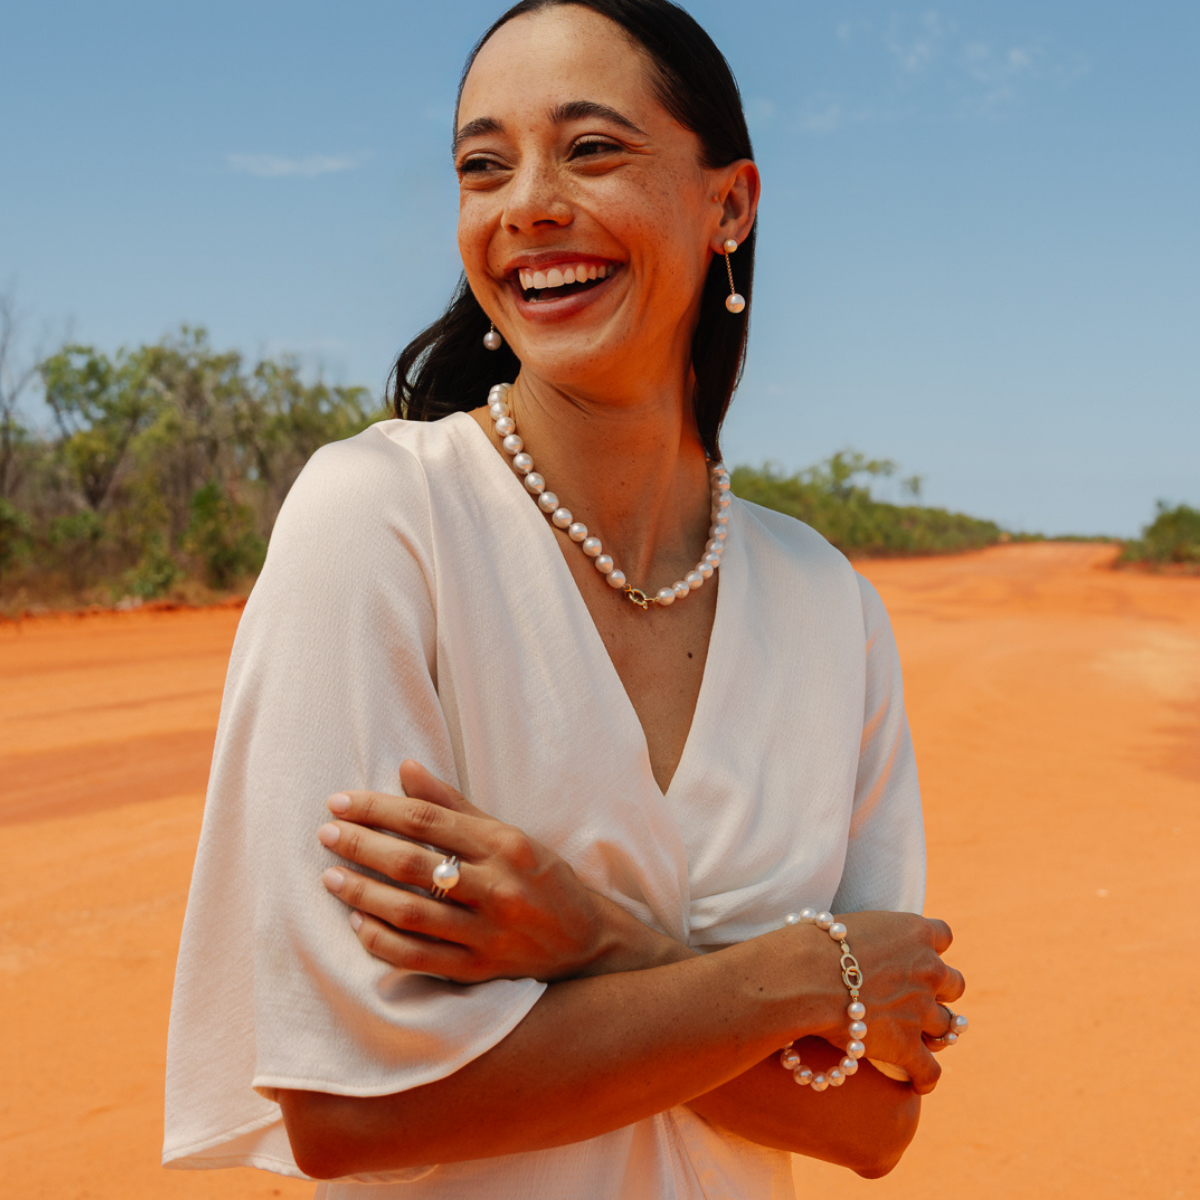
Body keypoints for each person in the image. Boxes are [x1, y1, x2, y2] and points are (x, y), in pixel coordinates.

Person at [163, 1, 968, 1196]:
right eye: (483, 166)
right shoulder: (382, 521)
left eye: (590, 149)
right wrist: (797, 982)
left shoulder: (828, 606)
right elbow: (349, 1110)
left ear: (729, 204)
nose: (527, 203)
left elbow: (872, 1126)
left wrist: (600, 940)